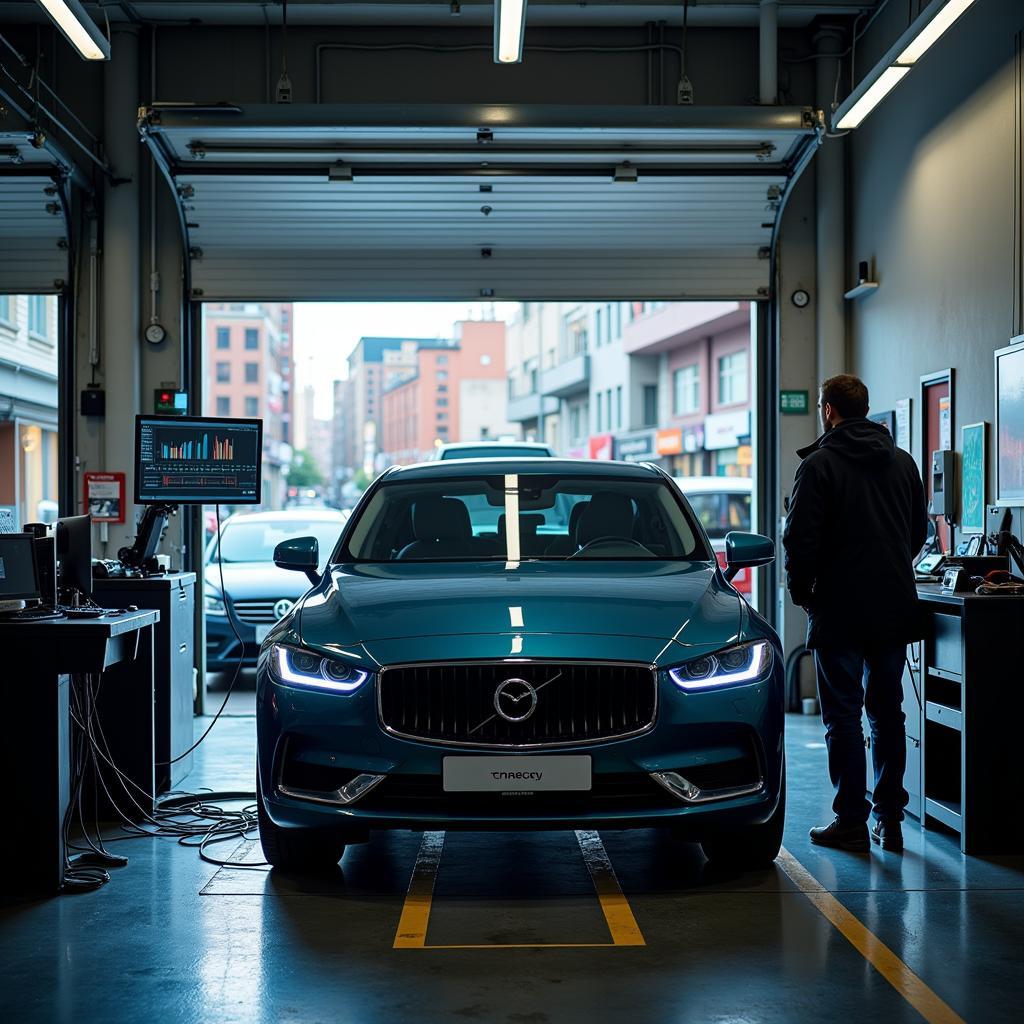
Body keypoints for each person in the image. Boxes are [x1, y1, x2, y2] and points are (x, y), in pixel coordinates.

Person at [783, 374, 928, 853]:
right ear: (865, 409)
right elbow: (917, 534)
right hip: (892, 608)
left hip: (839, 610)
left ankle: (849, 821)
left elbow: (799, 541)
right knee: (888, 714)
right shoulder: (903, 463)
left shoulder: (820, 465)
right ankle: (890, 818)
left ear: (828, 410)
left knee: (842, 717)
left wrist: (803, 593)